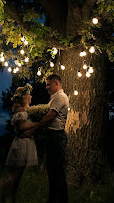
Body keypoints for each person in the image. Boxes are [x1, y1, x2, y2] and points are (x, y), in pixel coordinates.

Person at [0, 83, 38, 203]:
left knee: (18, 177)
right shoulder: (21, 112)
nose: (31, 97)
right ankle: (0, 197)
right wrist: (37, 124)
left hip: (26, 144)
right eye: (29, 95)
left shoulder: (26, 111)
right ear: (25, 97)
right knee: (15, 175)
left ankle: (14, 199)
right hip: (21, 145)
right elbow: (22, 126)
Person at [25, 74, 69, 203]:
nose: (46, 87)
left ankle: (61, 200)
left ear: (56, 84)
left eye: (49, 84)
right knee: (52, 171)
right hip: (51, 137)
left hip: (56, 137)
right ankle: (53, 199)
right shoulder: (54, 98)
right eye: (46, 84)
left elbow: (50, 116)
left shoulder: (60, 97)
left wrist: (34, 129)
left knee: (58, 173)